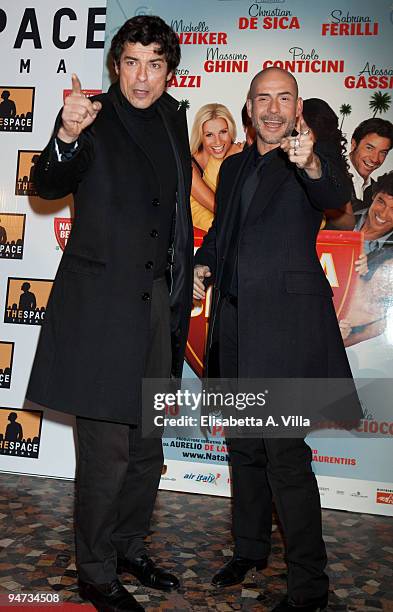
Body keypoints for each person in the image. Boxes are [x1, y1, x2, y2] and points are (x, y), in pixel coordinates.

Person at [27, 16, 193, 612]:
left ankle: (127, 548)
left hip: (157, 308)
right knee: (106, 454)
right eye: (131, 61)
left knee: (148, 445)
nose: (143, 76)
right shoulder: (91, 117)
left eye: (154, 63)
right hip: (101, 314)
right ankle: (95, 573)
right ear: (115, 66)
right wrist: (66, 135)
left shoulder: (175, 119)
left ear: (168, 69)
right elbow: (46, 183)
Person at [193, 67, 362, 612]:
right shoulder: (236, 165)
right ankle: (249, 550)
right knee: (243, 447)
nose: (271, 108)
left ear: (296, 108)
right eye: (262, 98)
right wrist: (202, 262)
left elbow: (332, 192)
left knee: (285, 457)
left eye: (282, 98)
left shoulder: (312, 160)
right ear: (248, 105)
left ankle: (310, 586)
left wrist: (310, 159)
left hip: (285, 331)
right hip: (235, 326)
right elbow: (223, 233)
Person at [302, 98, 355, 230]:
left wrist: (317, 200)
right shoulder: (287, 156)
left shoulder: (328, 165)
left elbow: (349, 222)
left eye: (303, 127)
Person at [189, 103, 241, 232]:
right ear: (200, 136)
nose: (218, 141)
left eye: (223, 132)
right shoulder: (188, 165)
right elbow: (219, 207)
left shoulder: (237, 153)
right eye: (209, 135)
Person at [348, 118, 393, 213]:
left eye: (382, 152)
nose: (375, 159)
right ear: (354, 144)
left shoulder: (375, 190)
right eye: (369, 148)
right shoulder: (330, 174)